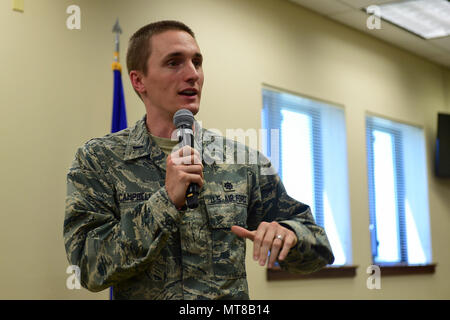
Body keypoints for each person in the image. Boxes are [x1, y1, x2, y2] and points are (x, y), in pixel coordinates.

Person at [64, 20, 334, 300]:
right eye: (174, 62)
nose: (193, 74)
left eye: (197, 62)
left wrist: (289, 235)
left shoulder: (241, 161)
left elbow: (320, 250)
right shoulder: (98, 160)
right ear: (138, 80)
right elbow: (87, 267)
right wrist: (165, 201)